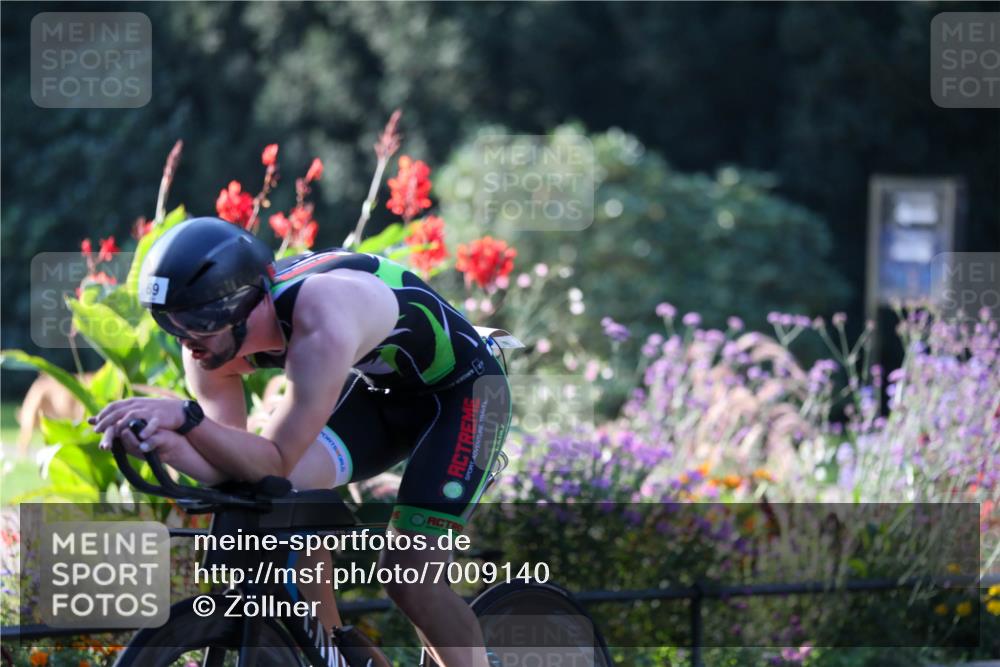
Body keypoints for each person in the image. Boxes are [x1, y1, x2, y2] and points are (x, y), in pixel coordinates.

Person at [92, 216, 512, 667]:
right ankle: (335, 652)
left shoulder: (321, 312)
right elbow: (236, 467)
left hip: (463, 395)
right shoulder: (206, 346)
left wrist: (186, 417)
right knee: (277, 497)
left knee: (408, 575)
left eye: (199, 323)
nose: (188, 342)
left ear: (245, 305)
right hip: (381, 395)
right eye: (171, 324)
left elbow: (270, 458)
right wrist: (167, 443)